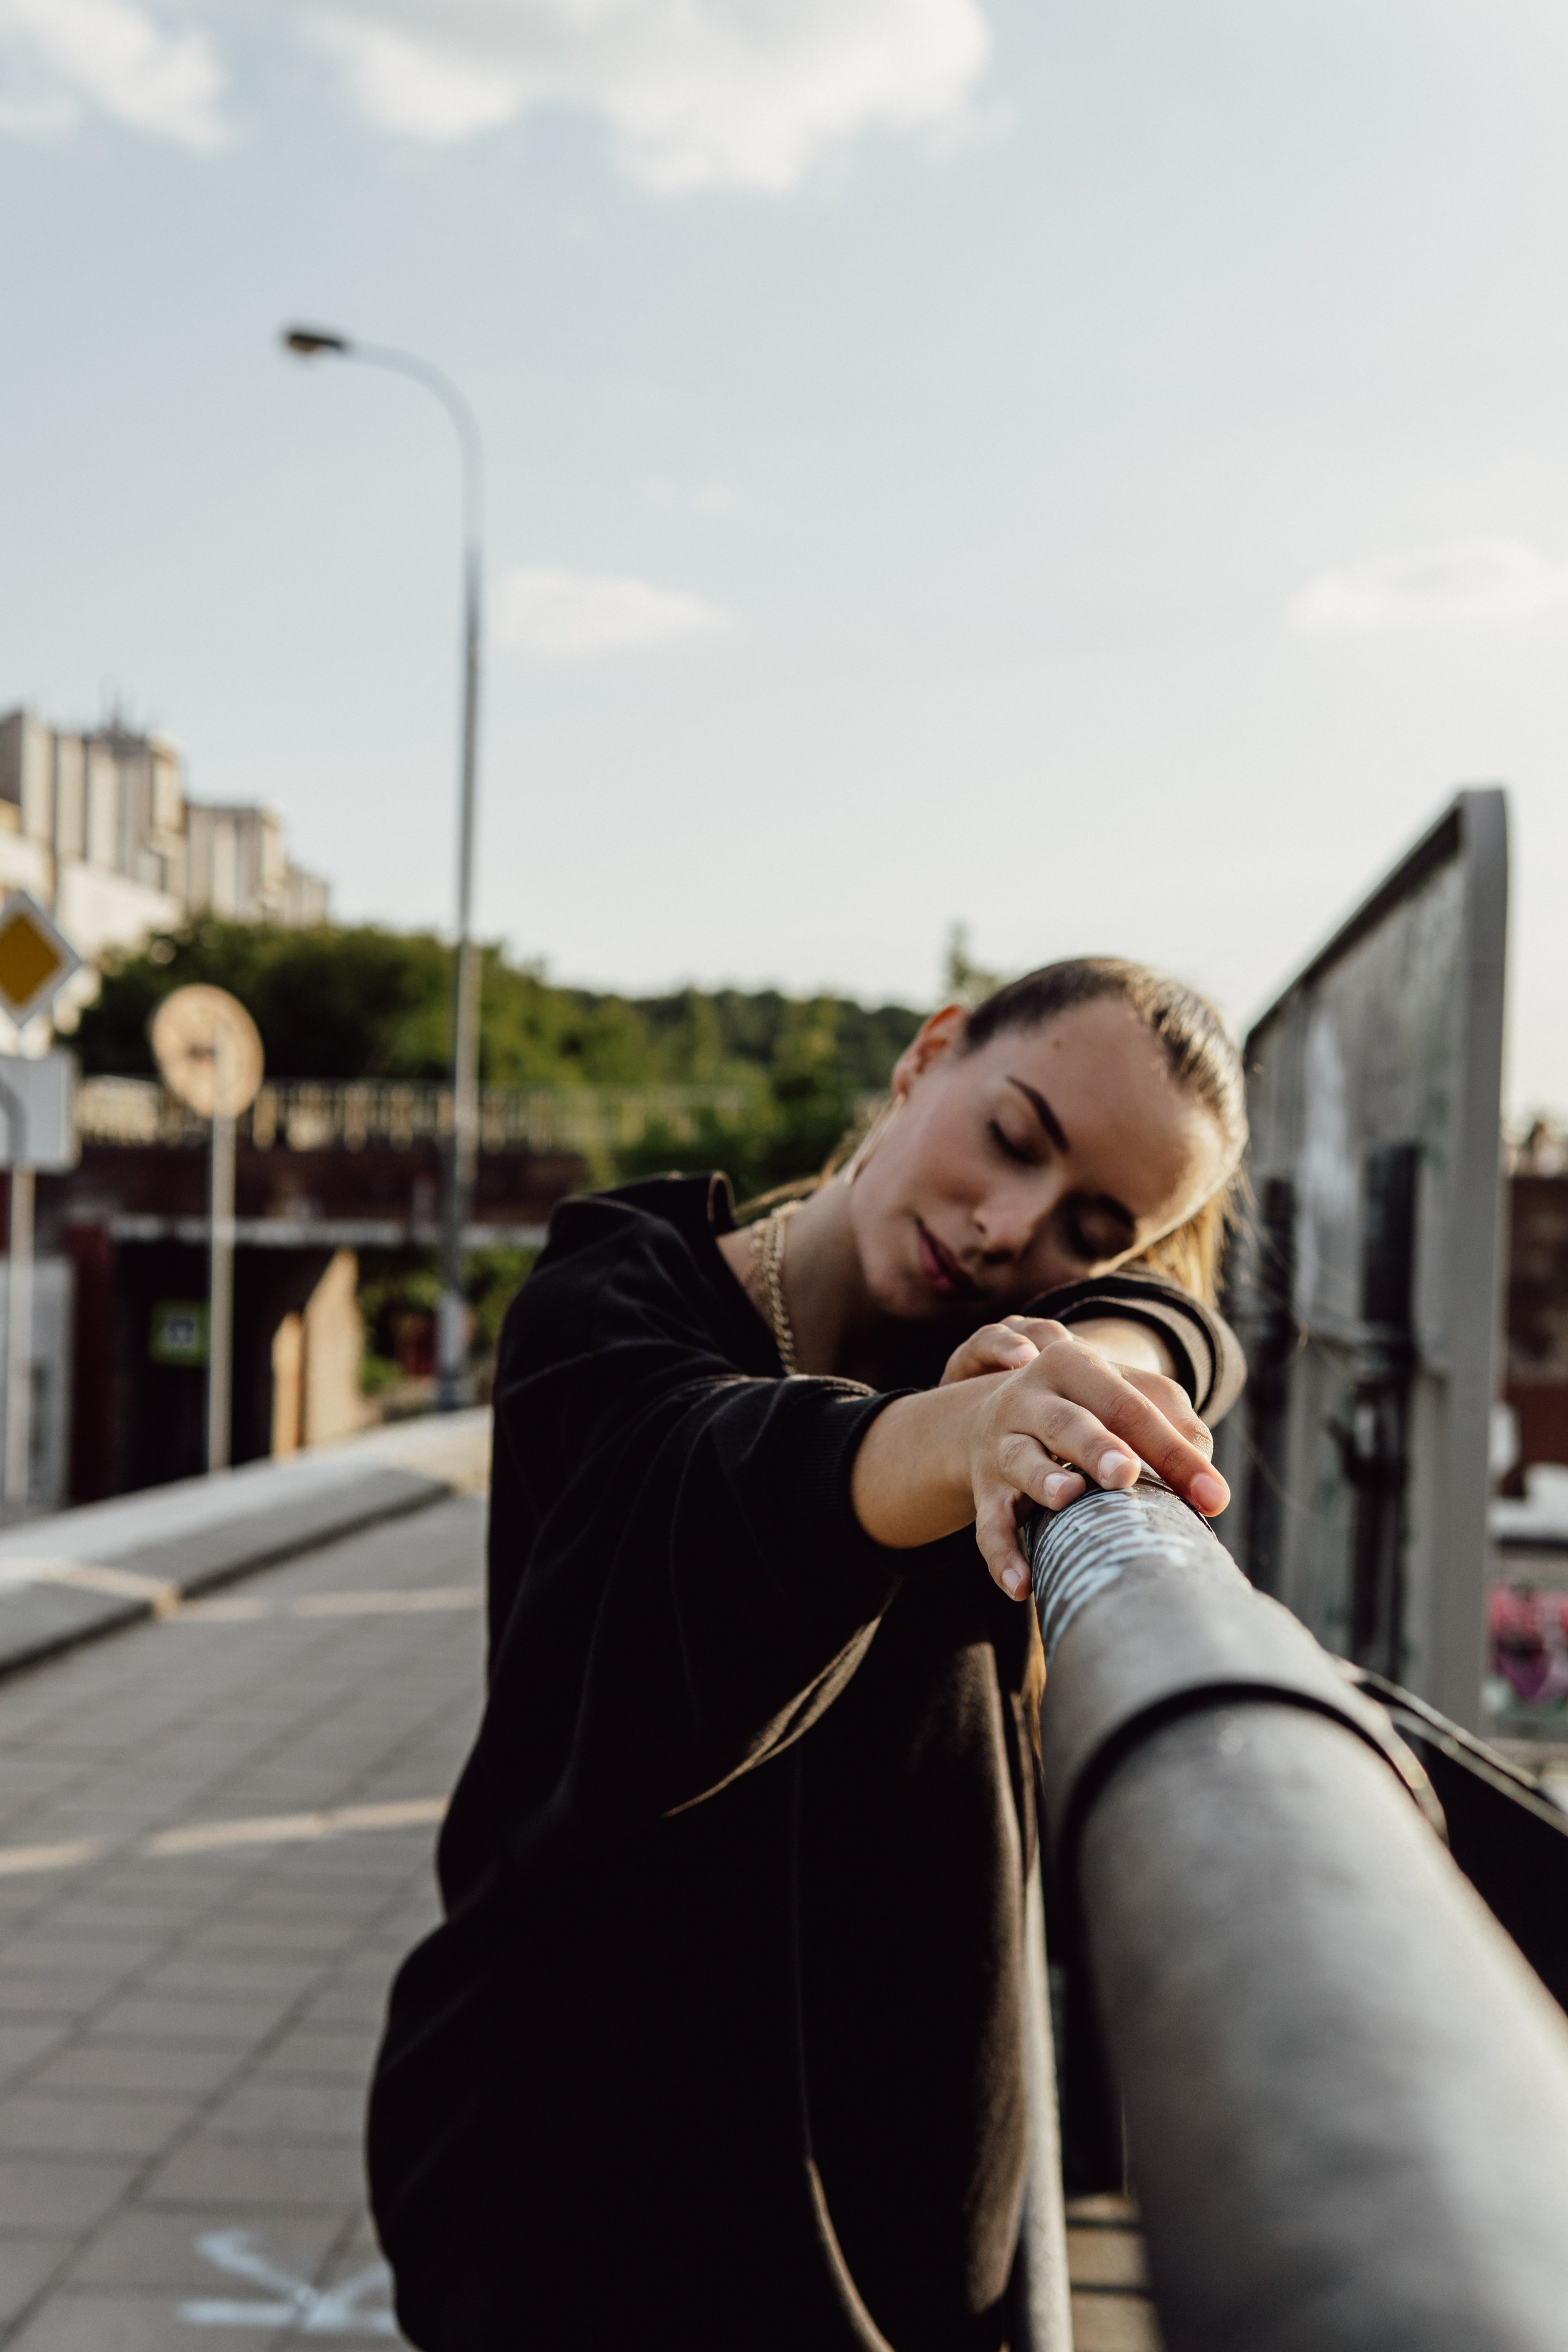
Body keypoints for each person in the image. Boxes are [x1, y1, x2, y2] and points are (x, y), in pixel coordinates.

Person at [368, 957, 1248, 2352]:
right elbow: (700, 1483)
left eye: (1091, 1226)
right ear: (927, 1055)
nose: (1009, 1224)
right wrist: (954, 1440)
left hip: (896, 2249)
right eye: (1011, 1137)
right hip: (580, 2207)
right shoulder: (612, 1299)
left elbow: (1186, 1334)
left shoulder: (1013, 1351)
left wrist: (1121, 1344)